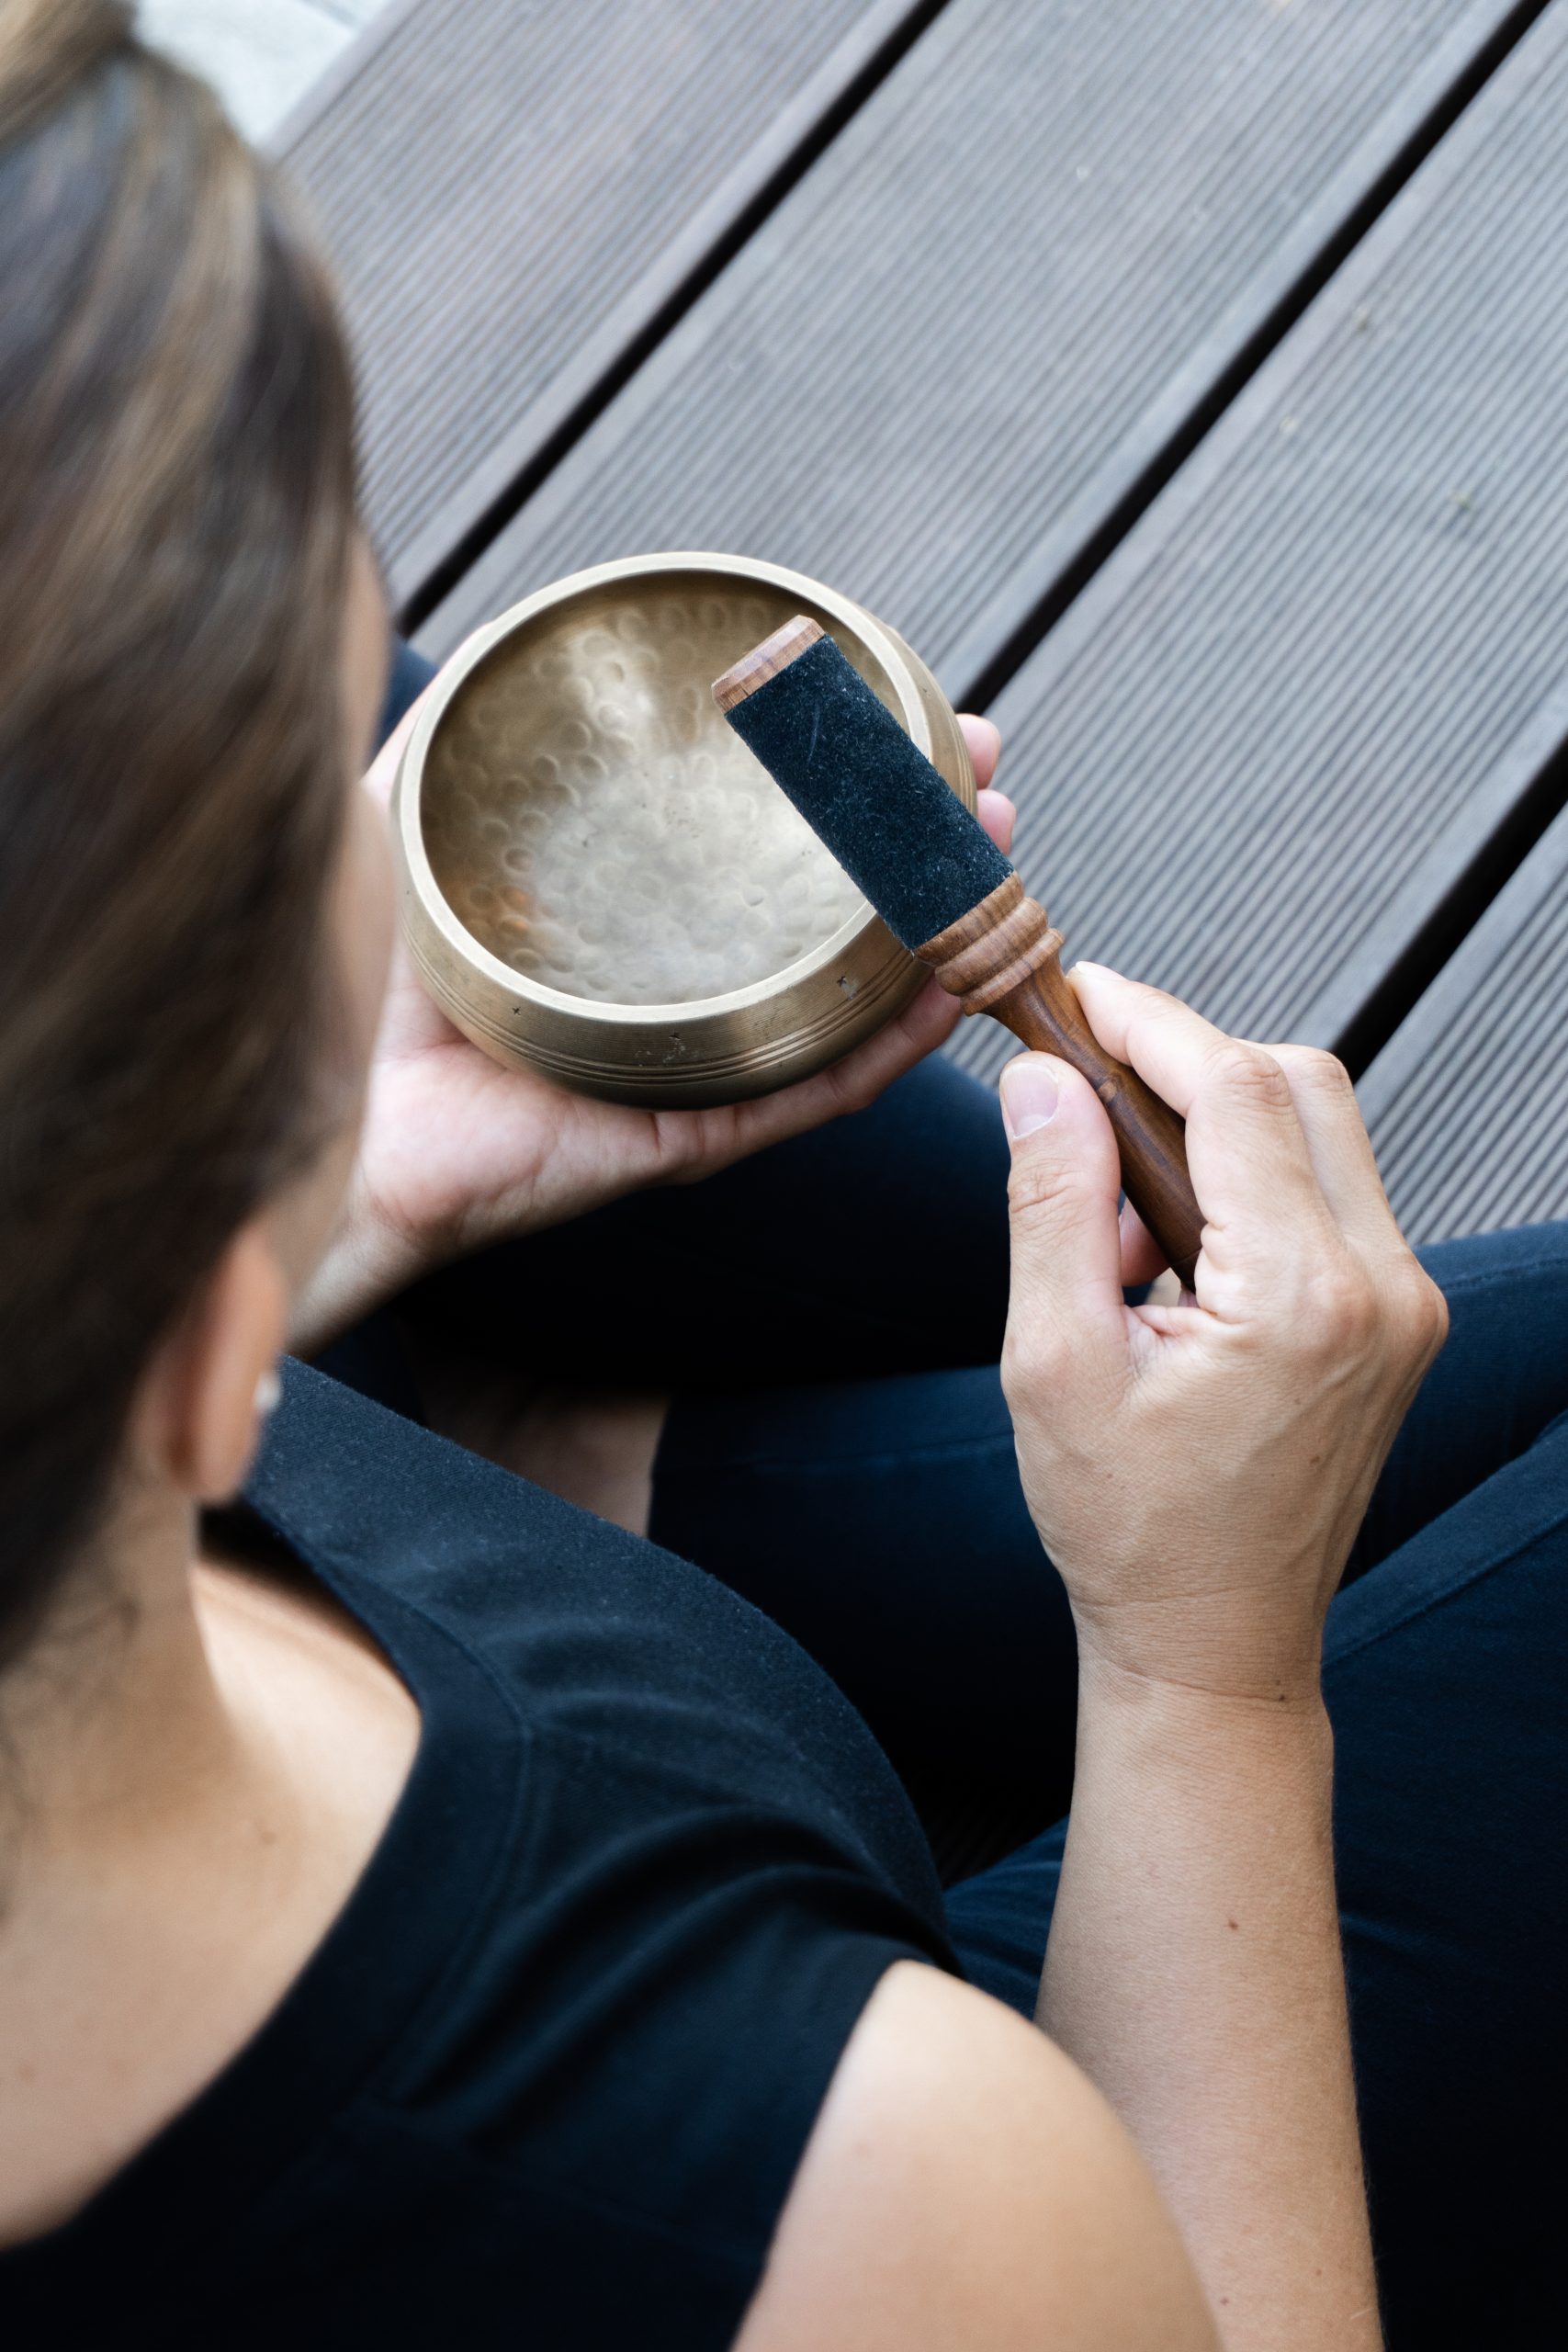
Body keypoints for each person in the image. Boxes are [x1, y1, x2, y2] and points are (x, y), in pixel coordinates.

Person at [1, 6, 1562, 2346]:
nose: (377, 801)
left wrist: (354, 1218)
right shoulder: (858, 2195)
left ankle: (577, 1446)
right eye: (318, 800)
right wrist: (1198, 1680)